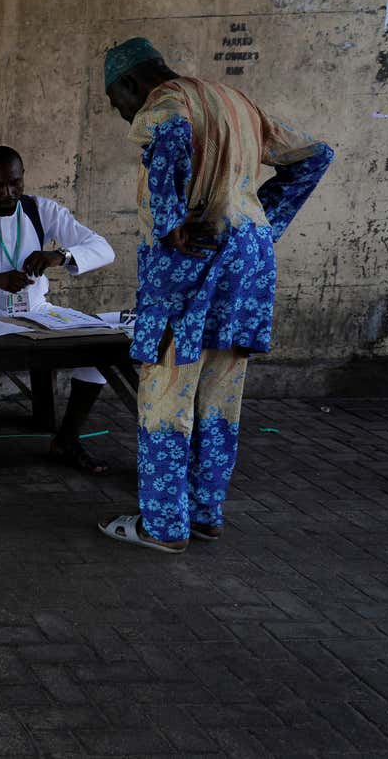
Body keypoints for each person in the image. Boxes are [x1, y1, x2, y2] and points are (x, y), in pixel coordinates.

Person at [96, 38, 334, 553]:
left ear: (132, 84)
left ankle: (163, 526)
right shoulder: (236, 101)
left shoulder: (164, 104)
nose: (120, 113)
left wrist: (171, 222)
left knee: (166, 393)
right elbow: (315, 157)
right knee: (220, 394)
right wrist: (261, 221)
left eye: (117, 102)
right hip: (247, 268)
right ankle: (204, 513)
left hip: (191, 265)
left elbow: (171, 142)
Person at [0, 146, 117, 476]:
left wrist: (59, 256)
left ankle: (67, 439)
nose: (8, 193)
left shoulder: (42, 210)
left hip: (36, 310)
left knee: (100, 345)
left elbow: (104, 249)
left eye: (15, 184)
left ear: (23, 179)